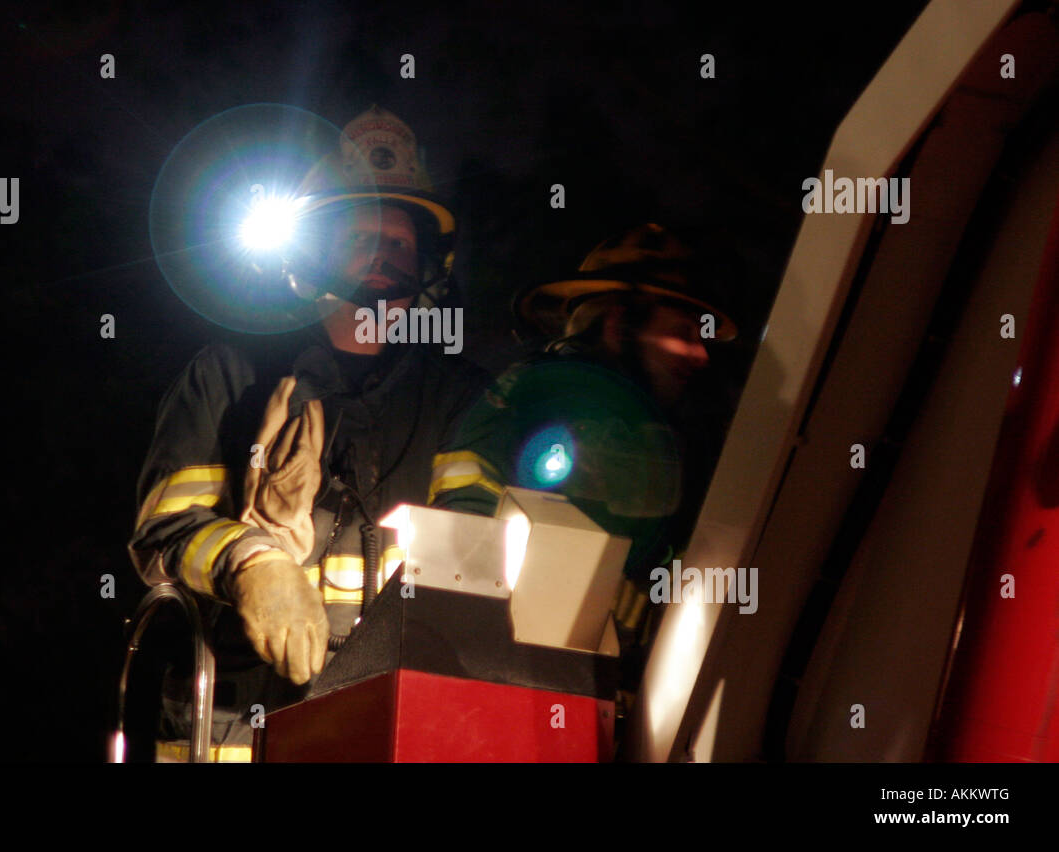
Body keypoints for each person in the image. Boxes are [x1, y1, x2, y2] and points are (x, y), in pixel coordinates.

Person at [129, 106, 490, 761]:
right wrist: (252, 566)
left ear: (429, 263)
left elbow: (483, 544)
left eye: (399, 242)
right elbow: (163, 530)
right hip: (234, 728)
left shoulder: (459, 398)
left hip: (390, 723)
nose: (382, 256)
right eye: (358, 237)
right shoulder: (229, 374)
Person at [429, 223, 737, 714]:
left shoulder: (674, 438)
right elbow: (456, 548)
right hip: (516, 699)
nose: (701, 355)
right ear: (619, 324)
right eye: (683, 334)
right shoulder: (525, 405)